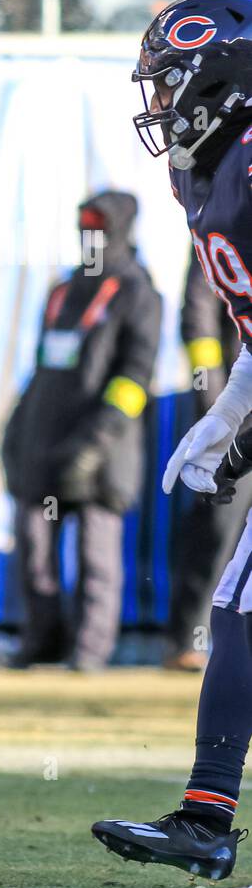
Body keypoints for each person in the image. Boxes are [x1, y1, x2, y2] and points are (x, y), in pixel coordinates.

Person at [92, 0, 252, 883]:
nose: (156, 107)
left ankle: (206, 817)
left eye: (168, 85)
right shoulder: (206, 168)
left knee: (239, 607)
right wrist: (229, 418)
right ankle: (205, 816)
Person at [2, 191, 161, 671]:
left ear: (121, 231)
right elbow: (42, 369)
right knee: (34, 553)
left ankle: (89, 654)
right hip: (42, 444)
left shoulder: (138, 293)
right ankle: (41, 644)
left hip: (101, 453)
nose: (89, 239)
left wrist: (95, 445)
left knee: (97, 558)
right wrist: (15, 434)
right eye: (83, 229)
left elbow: (135, 380)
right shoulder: (63, 290)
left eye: (99, 229)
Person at [167, 246, 252, 671]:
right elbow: (198, 320)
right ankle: (191, 639)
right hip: (238, 410)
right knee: (219, 525)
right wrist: (216, 399)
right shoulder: (222, 223)